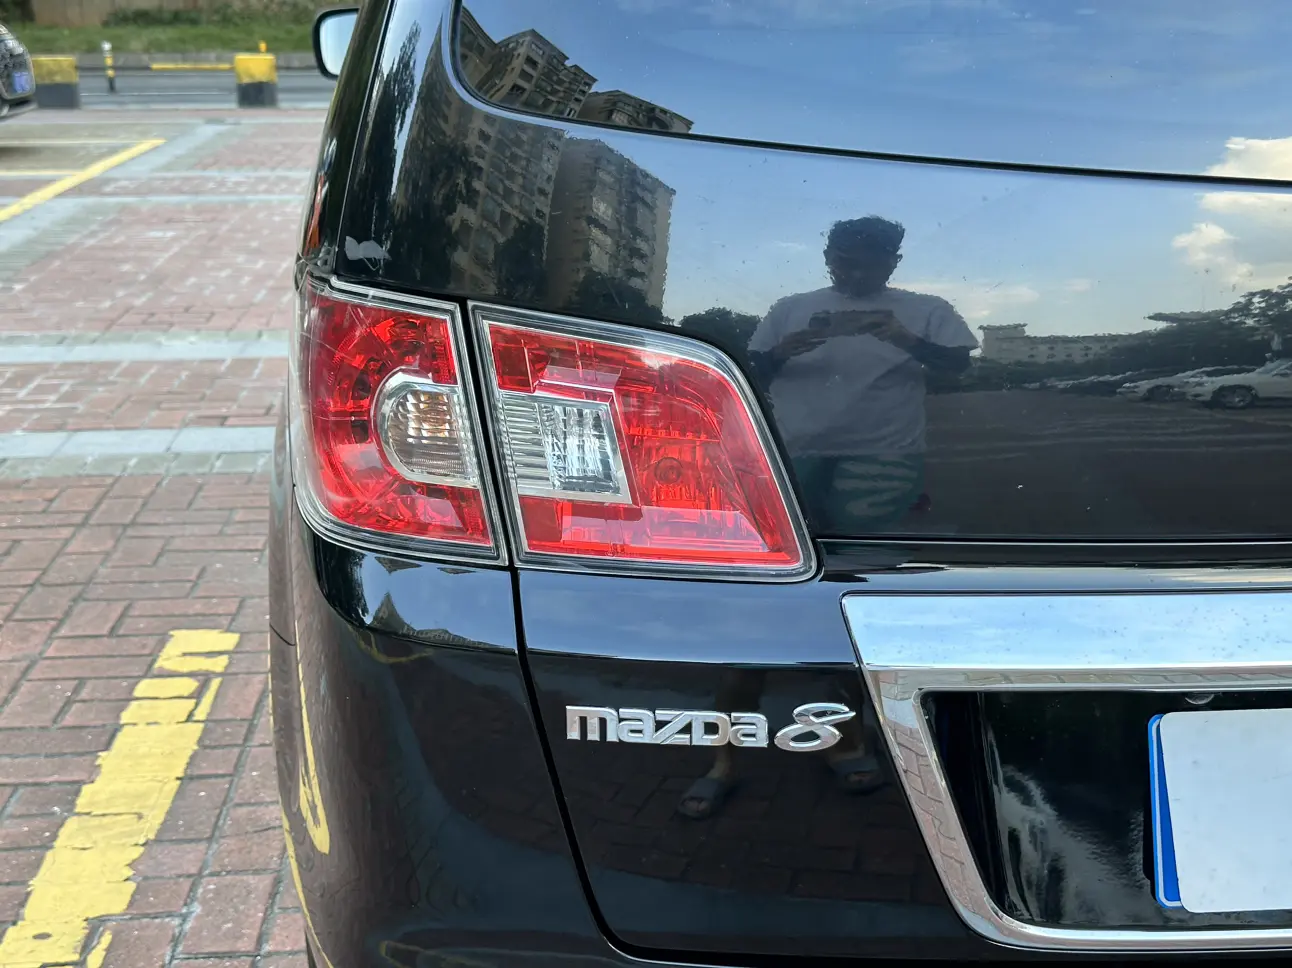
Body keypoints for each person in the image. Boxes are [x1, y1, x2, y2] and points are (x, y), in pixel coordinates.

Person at [677, 217, 977, 820]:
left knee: (850, 596)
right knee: (759, 595)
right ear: (828, 256)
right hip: (786, 457)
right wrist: (783, 351)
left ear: (892, 263)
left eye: (867, 263)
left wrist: (904, 338)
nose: (852, 272)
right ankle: (724, 755)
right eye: (842, 260)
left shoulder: (925, 310)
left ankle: (845, 740)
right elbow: (748, 372)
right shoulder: (791, 308)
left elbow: (960, 368)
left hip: (883, 458)